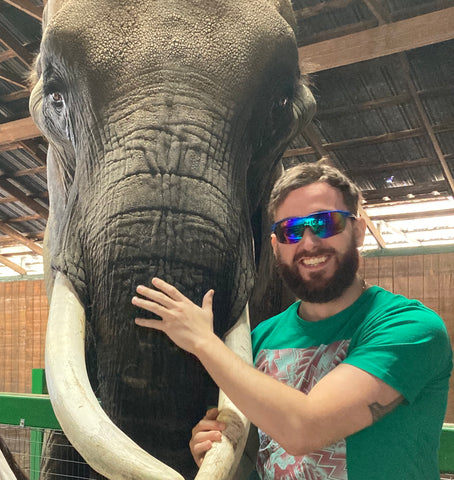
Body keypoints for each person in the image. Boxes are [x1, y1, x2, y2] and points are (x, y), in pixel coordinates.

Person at [131, 162, 453, 480]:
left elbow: (304, 429)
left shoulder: (409, 328)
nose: (309, 243)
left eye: (326, 224)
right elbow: (262, 454)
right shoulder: (261, 338)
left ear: (358, 232)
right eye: (291, 230)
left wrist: (203, 341)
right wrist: (217, 447)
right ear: (275, 247)